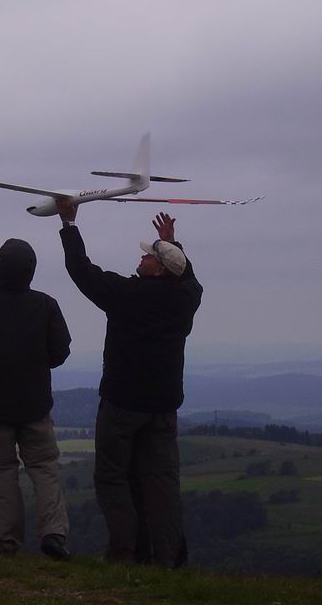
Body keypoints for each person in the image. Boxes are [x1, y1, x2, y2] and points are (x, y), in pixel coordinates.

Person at [56, 203, 201, 568]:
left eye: (150, 256)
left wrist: (69, 223)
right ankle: (169, 559)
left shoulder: (127, 294)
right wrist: (172, 245)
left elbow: (81, 270)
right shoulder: (187, 298)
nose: (142, 258)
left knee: (112, 477)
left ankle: (125, 553)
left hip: (121, 404)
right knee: (162, 483)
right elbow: (187, 276)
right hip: (163, 407)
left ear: (160, 269)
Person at [0, 238, 73, 560]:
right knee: (44, 467)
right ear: (30, 270)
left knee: (2, 472)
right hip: (35, 404)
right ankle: (54, 534)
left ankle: (8, 542)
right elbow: (60, 351)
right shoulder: (45, 305)